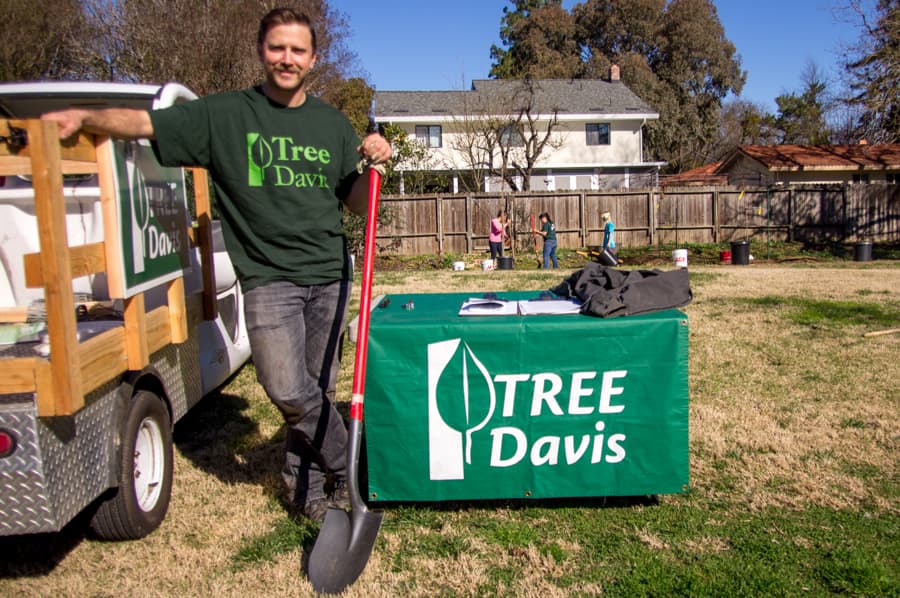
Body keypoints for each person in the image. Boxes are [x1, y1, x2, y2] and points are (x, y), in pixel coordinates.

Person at [42, 7, 392, 524]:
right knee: (286, 389)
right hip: (269, 278)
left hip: (329, 274)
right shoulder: (224, 116)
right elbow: (145, 123)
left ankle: (311, 491)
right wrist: (85, 118)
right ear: (261, 51)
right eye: (277, 47)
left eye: (298, 50)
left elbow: (359, 204)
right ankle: (356, 465)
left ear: (313, 59)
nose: (287, 58)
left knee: (317, 391)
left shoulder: (330, 123)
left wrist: (375, 165)